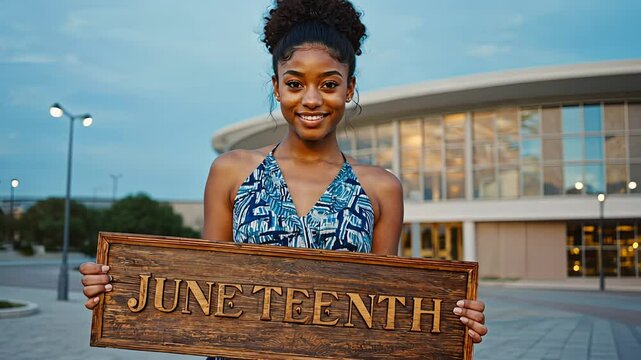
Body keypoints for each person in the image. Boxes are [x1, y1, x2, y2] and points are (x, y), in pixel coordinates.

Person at [79, 0, 487, 349]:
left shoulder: (380, 187)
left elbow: (387, 307)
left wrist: (454, 320)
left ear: (349, 88)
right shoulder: (231, 171)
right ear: (277, 87)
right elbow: (201, 285)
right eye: (295, 84)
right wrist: (119, 287)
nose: (311, 99)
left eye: (329, 84)